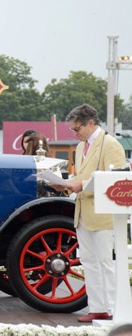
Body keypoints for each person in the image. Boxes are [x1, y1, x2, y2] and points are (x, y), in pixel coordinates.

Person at [54, 104, 126, 323]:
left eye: (77, 129)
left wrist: (80, 184)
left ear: (91, 123)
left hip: (103, 214)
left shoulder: (110, 144)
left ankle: (113, 309)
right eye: (72, 129)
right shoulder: (80, 147)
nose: (74, 133)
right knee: (89, 262)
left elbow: (115, 180)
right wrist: (64, 185)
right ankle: (97, 308)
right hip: (82, 213)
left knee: (106, 262)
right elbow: (80, 178)